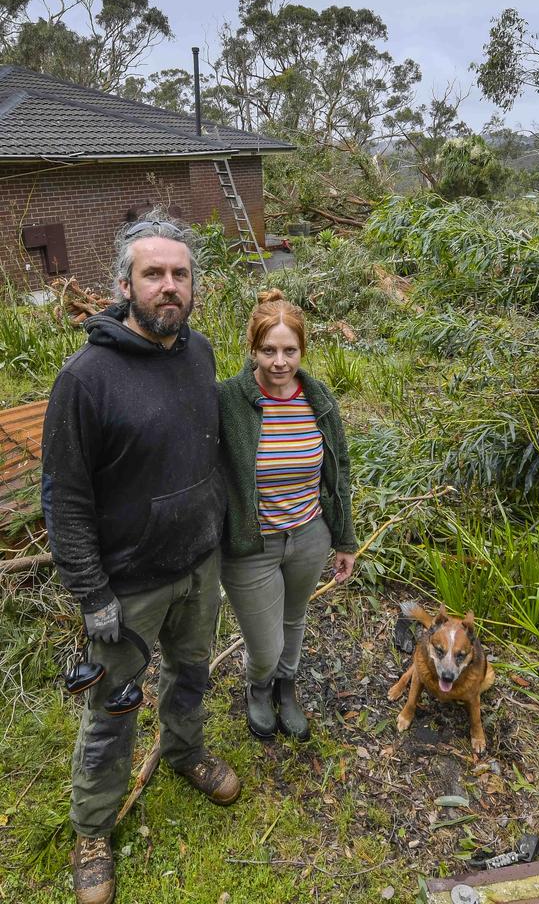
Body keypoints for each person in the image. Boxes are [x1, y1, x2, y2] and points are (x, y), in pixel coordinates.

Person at [41, 210, 240, 904]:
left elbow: (208, 453)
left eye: (180, 274)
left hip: (197, 566)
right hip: (127, 587)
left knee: (190, 676)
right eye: (153, 273)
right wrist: (91, 593)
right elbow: (64, 497)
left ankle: (185, 753)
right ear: (124, 284)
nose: (168, 286)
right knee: (113, 708)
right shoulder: (85, 378)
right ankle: (92, 828)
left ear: (194, 287)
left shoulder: (201, 353)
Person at [218, 289, 357, 741]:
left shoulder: (318, 399)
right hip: (250, 545)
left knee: (294, 620)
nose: (279, 361)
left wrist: (344, 541)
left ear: (302, 349)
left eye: (289, 350)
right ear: (252, 349)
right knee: (266, 642)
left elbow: (338, 474)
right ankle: (258, 684)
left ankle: (286, 687)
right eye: (269, 350)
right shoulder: (228, 401)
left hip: (308, 536)